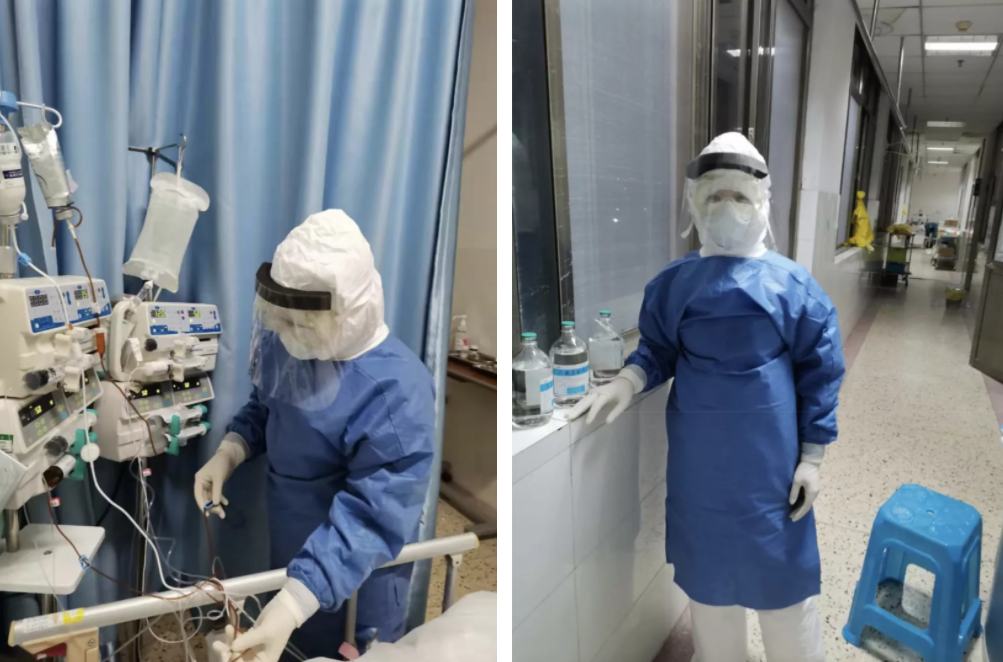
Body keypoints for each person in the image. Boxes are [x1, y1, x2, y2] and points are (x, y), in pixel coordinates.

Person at [571, 133, 845, 662]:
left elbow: (821, 371)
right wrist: (628, 381)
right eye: (715, 195)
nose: (727, 207)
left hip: (771, 468)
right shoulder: (675, 284)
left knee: (782, 589)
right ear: (694, 203)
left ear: (762, 202)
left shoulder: (792, 287)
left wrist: (813, 457)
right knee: (710, 589)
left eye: (739, 195)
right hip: (701, 472)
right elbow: (657, 350)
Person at [194, 209, 435, 662]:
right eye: (280, 320)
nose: (285, 334)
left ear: (350, 313)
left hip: (356, 575)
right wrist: (231, 450)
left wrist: (293, 603)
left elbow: (373, 515)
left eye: (299, 324)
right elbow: (269, 404)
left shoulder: (396, 391)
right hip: (292, 551)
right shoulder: (294, 342)